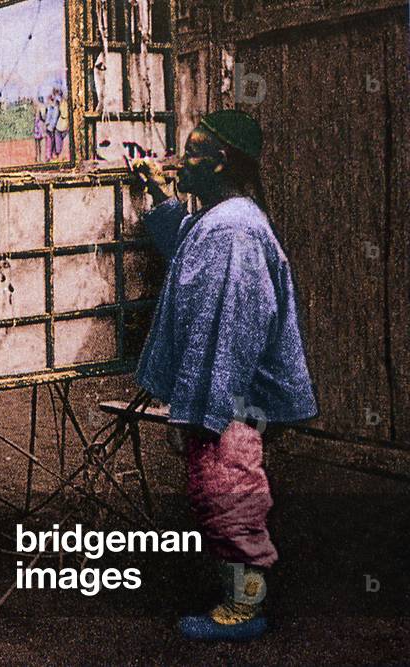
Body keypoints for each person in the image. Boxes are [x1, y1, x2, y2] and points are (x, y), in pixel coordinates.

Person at [132, 109, 317, 641]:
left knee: (231, 492)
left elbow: (236, 327)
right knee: (219, 489)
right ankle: (238, 597)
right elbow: (186, 243)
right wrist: (160, 195)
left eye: (191, 153)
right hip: (222, 393)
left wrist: (211, 409)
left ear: (219, 163)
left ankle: (245, 610)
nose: (179, 161)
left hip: (229, 397)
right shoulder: (223, 218)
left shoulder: (235, 228)